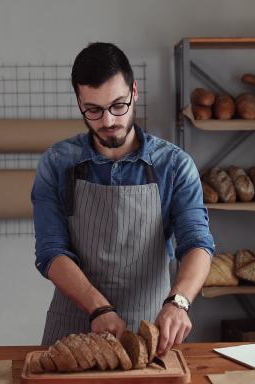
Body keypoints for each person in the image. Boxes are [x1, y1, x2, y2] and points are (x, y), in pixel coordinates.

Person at [31, 42, 214, 356]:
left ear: (134, 91)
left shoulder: (174, 165)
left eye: (118, 105)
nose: (108, 121)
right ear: (79, 102)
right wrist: (98, 309)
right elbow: (50, 251)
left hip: (153, 330)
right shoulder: (57, 163)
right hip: (74, 327)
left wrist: (179, 301)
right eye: (94, 110)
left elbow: (197, 242)